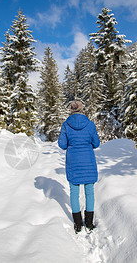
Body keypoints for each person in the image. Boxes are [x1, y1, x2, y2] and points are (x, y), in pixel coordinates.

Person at [58, 100, 100, 234]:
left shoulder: (66, 125)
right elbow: (97, 143)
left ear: (70, 110)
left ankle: (77, 224)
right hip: (88, 161)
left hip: (73, 162)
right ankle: (89, 222)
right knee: (90, 192)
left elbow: (62, 145)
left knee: (74, 193)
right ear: (82, 109)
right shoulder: (90, 124)